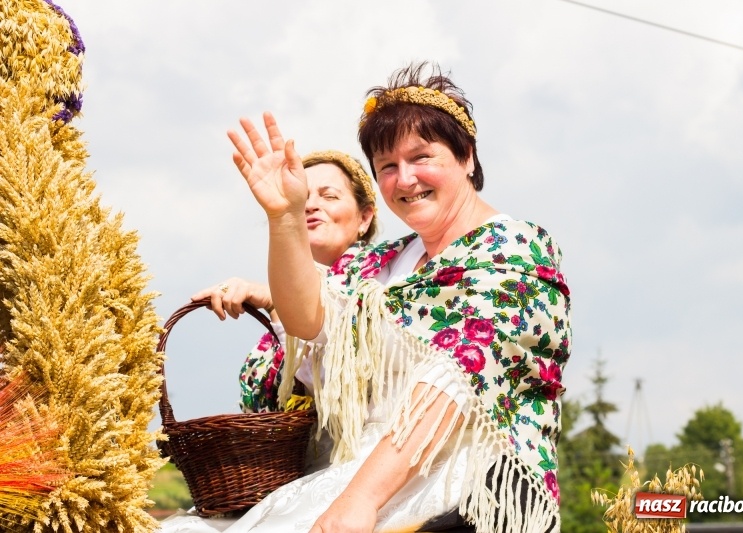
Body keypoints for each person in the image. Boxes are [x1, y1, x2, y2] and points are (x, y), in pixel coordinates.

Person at [163, 62, 571, 533]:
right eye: (388, 167)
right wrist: (284, 218)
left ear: (468, 157)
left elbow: (453, 386)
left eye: (422, 157)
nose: (405, 178)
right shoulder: (375, 265)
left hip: (460, 481)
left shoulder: (513, 249)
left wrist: (360, 501)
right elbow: (307, 322)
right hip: (356, 472)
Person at [190, 150, 378, 413]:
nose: (311, 205)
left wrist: (274, 303)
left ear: (364, 218)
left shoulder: (380, 287)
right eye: (300, 197)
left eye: (329, 196)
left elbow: (333, 384)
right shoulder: (279, 290)